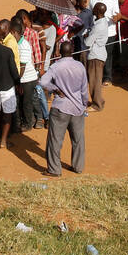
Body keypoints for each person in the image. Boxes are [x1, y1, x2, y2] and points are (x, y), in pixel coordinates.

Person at [39, 40, 87, 177]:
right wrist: (83, 104)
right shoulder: (80, 66)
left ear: (59, 52)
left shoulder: (56, 66)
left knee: (55, 140)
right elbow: (84, 89)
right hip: (77, 107)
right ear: (72, 51)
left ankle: (54, 169)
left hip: (60, 107)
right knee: (78, 140)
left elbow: (43, 82)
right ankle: (78, 167)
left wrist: (55, 89)